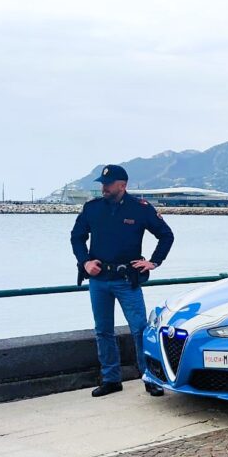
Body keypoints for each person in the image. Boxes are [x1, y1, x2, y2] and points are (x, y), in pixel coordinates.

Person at [70, 165, 175, 398]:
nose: (103, 188)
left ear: (122, 185)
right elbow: (77, 237)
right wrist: (86, 262)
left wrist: (154, 262)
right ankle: (111, 379)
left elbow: (166, 235)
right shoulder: (92, 208)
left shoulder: (140, 208)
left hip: (128, 280)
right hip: (99, 280)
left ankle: (150, 378)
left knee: (139, 330)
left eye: (108, 184)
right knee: (103, 331)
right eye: (102, 184)